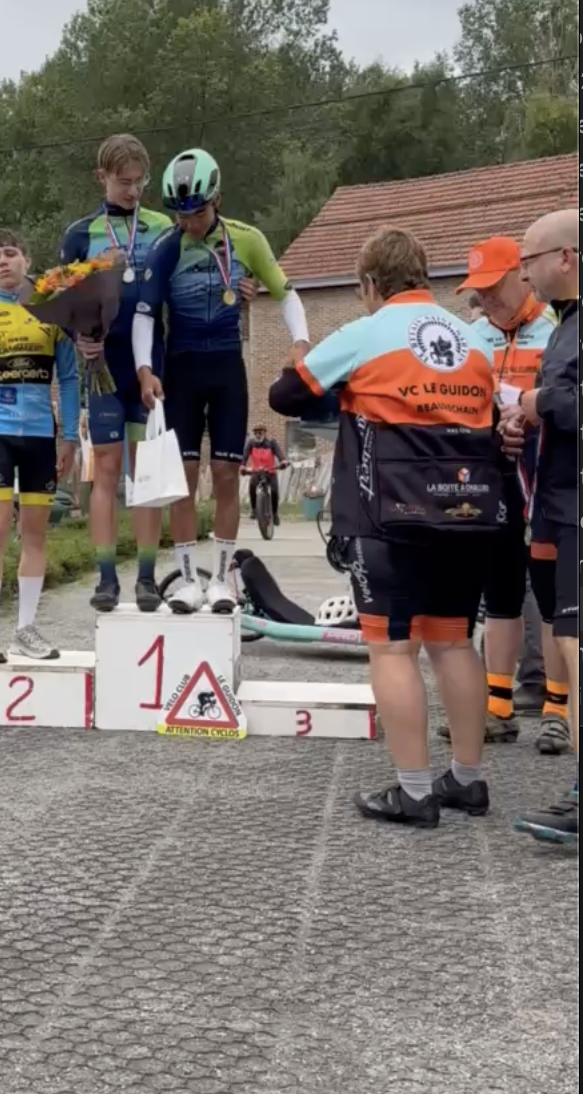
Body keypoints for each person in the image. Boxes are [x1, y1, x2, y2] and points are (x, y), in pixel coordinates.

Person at [270, 226, 504, 829]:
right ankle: (468, 780)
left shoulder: (365, 332)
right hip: (468, 510)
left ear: (371, 283)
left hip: (390, 512)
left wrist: (330, 381)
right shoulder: (473, 342)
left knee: (393, 647)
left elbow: (285, 394)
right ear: (423, 276)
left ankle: (414, 791)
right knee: (454, 642)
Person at [132, 148, 309, 613]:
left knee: (228, 474)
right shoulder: (166, 247)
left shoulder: (247, 240)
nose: (189, 223)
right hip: (182, 370)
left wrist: (301, 342)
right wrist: (145, 370)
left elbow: (286, 294)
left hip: (227, 365)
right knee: (184, 479)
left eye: (198, 213)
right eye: (181, 215)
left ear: (218, 200)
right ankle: (189, 581)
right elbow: (145, 314)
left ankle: (224, 580)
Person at [434, 238, 566, 752]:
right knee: (502, 594)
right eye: (478, 290)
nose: (485, 298)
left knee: (554, 599)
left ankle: (558, 710)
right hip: (495, 478)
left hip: (549, 477)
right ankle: (498, 708)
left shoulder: (557, 328)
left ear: (521, 275)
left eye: (493, 287)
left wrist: (529, 421)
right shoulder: (470, 337)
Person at [59, 134, 173, 612]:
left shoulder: (163, 227)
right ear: (101, 177)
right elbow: (62, 302)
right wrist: (78, 336)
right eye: (123, 181)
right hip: (102, 366)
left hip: (149, 364)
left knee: (146, 471)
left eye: (140, 181)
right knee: (105, 470)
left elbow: (179, 285)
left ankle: (146, 577)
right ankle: (106, 578)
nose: (133, 191)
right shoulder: (79, 234)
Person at [0, 229, 80, 662]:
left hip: (42, 435)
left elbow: (69, 379)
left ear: (27, 260)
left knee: (35, 532)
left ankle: (25, 630)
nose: (3, 262)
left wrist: (69, 438)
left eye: (10, 254)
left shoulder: (53, 311)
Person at [500, 209, 579, 846]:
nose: (523, 274)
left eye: (529, 260)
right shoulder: (563, 327)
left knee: (576, 645)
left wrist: (536, 401)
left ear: (567, 258)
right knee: (566, 638)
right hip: (555, 504)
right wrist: (524, 424)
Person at [242, 423, 287, 526]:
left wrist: (283, 461)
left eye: (260, 432)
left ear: (265, 433)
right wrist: (242, 466)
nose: (258, 435)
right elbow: (244, 456)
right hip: (257, 471)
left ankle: (275, 514)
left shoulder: (271, 443)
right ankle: (254, 509)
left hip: (270, 471)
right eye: (256, 433)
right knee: (252, 485)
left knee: (274, 491)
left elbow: (279, 454)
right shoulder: (251, 443)